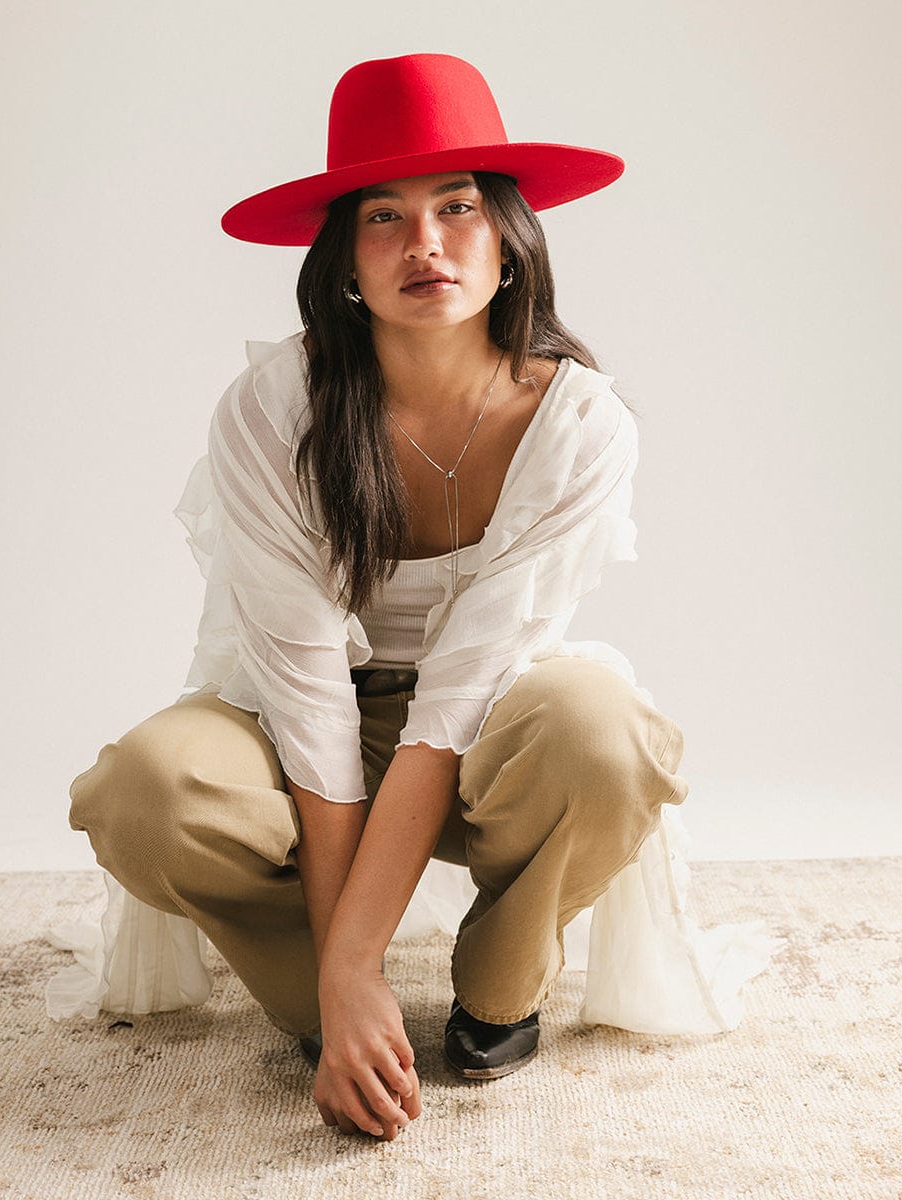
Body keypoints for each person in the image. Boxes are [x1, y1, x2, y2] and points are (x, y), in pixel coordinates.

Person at [64, 54, 762, 1141]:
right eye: (382, 216)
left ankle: (500, 982)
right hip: (296, 724)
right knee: (145, 790)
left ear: (508, 239)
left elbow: (455, 703)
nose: (425, 244)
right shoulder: (271, 412)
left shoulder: (579, 423)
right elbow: (307, 704)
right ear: (344, 257)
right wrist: (343, 973)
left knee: (606, 735)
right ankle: (316, 994)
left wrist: (362, 950)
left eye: (457, 208)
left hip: (488, 731)